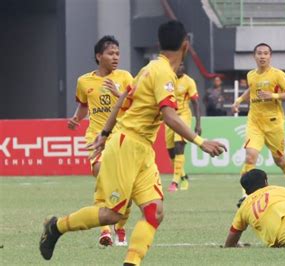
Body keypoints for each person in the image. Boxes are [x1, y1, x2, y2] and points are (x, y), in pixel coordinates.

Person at [39, 20, 226, 265]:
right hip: (127, 145)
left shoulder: (149, 68)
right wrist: (200, 141)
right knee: (111, 214)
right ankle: (56, 227)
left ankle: (131, 262)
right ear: (186, 45)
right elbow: (169, 115)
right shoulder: (163, 73)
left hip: (141, 149)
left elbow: (122, 101)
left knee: (154, 211)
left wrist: (104, 134)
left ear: (160, 44)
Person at [67, 35, 133, 247]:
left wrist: (119, 94)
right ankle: (105, 231)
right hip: (97, 138)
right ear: (99, 56)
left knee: (127, 190)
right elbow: (84, 104)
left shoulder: (125, 77)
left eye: (117, 53)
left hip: (122, 137)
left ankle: (120, 228)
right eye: (111, 53)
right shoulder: (84, 81)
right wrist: (77, 118)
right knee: (101, 177)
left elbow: (137, 104)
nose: (115, 57)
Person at [231, 43, 285, 192]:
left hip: (274, 123)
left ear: (270, 56)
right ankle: (245, 197)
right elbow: (252, 89)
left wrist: (273, 95)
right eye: (259, 53)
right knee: (250, 157)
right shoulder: (250, 75)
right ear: (254, 56)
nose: (262, 56)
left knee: (279, 160)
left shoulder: (278, 74)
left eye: (265, 53)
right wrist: (239, 100)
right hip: (254, 122)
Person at [165, 63, 201, 192]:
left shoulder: (189, 81)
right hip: (170, 117)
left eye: (182, 65)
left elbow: (196, 103)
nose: (181, 67)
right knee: (171, 152)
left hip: (184, 116)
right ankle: (184, 177)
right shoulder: (167, 79)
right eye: (178, 65)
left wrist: (198, 123)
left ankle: (174, 182)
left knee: (179, 145)